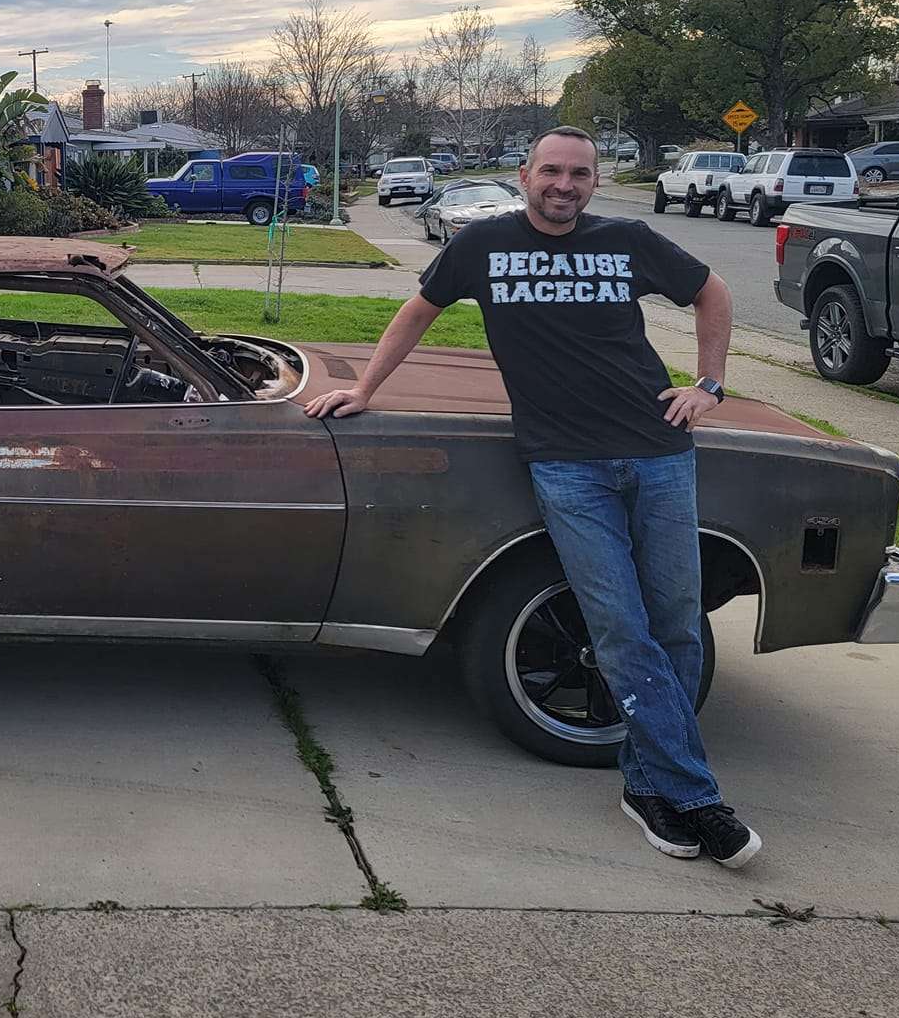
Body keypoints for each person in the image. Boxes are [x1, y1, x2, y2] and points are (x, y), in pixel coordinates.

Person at [305, 126, 760, 868]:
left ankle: (649, 788)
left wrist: (708, 385)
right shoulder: (482, 247)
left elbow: (713, 293)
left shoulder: (630, 239)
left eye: (579, 174)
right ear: (525, 176)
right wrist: (364, 388)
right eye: (551, 170)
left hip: (660, 455)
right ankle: (698, 798)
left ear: (592, 182)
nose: (564, 184)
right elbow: (418, 311)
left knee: (676, 623)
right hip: (566, 467)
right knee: (618, 626)